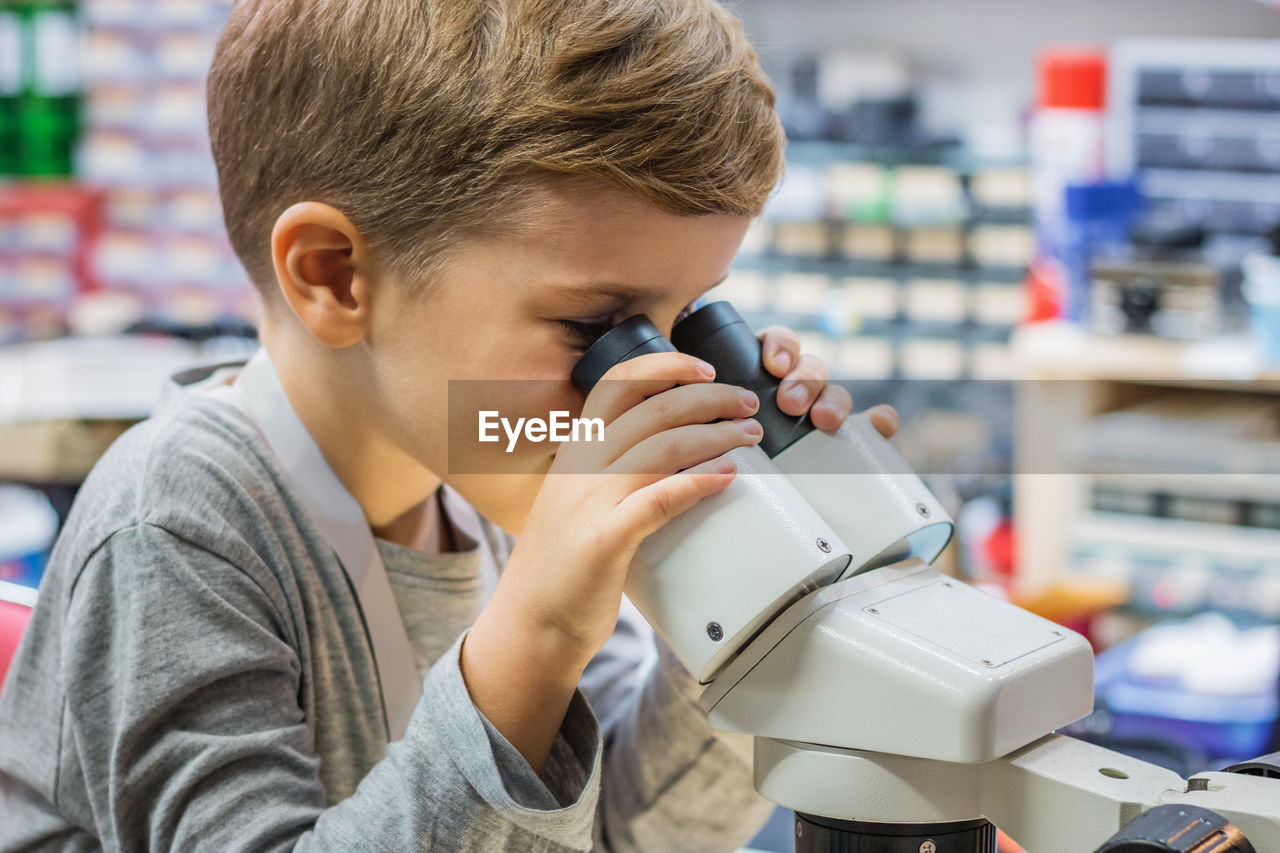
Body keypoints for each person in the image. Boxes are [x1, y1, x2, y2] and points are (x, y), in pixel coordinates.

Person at [0, 1, 899, 849]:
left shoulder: (483, 479)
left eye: (696, 319)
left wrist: (762, 618)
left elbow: (623, 829)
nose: (661, 379)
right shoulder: (176, 522)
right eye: (597, 332)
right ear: (336, 276)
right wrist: (535, 638)